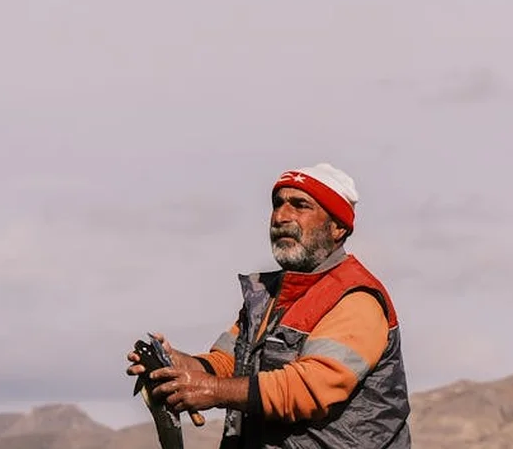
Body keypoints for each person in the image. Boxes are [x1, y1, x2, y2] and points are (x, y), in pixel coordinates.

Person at [125, 162, 412, 448]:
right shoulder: (266, 296)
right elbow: (229, 364)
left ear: (337, 227)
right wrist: (177, 367)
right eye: (277, 204)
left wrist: (211, 390)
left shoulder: (355, 297)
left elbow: (311, 388)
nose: (281, 216)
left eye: (300, 206)